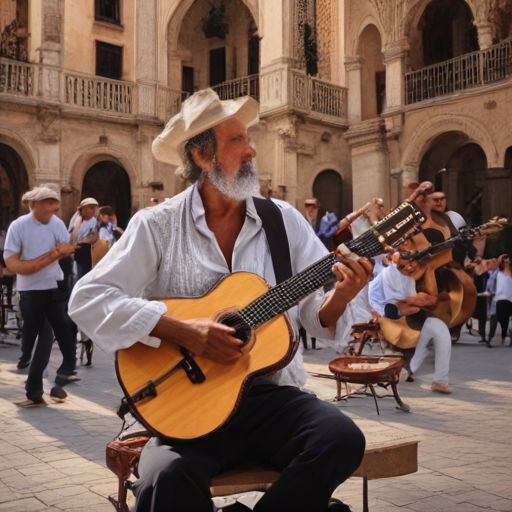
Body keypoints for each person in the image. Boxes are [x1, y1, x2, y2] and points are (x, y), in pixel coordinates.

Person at [69, 89, 373, 512]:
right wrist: (182, 330)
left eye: (248, 138)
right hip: (190, 406)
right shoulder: (156, 225)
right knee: (164, 481)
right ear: (201, 156)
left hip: (272, 399)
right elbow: (87, 298)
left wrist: (341, 295)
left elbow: (316, 317)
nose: (251, 150)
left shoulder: (281, 220)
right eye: (236, 141)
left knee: (341, 440)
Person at [3, 185, 80, 407]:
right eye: (48, 203)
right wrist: (49, 257)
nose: (53, 208)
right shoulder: (18, 226)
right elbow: (11, 260)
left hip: (52, 287)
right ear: (34, 205)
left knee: (46, 333)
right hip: (29, 288)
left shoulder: (56, 224)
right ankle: (34, 381)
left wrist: (65, 281)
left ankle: (35, 390)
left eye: (54, 204)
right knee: (35, 331)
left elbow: (66, 255)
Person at [369, 255, 453, 393]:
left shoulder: (408, 280)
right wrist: (414, 301)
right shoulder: (388, 274)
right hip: (390, 316)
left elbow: (423, 302)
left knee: (439, 330)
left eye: (412, 260)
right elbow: (402, 303)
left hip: (405, 314)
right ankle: (417, 372)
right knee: (424, 334)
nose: (411, 264)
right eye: (406, 261)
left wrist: (417, 300)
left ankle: (439, 379)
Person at [492, 254, 512, 345]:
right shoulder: (498, 273)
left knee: (508, 319)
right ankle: (504, 334)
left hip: (510, 300)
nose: (507, 263)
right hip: (500, 299)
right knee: (501, 319)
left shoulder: (511, 272)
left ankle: (506, 336)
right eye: (505, 261)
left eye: (508, 260)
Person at [485, 257, 499, 347]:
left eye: (490, 264)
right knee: (494, 318)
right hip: (494, 299)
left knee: (495, 318)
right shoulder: (492, 274)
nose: (488, 265)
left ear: (496, 264)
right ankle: (489, 338)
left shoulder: (499, 274)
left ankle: (489, 339)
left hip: (500, 299)